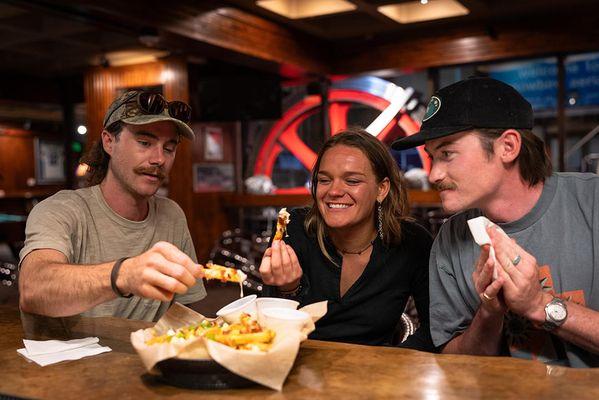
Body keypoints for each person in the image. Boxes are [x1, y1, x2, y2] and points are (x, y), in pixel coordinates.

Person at [391, 76, 599, 367]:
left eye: (447, 153)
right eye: (432, 156)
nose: (434, 174)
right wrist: (489, 311)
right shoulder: (450, 239)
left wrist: (539, 305)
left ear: (508, 147)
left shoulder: (592, 202)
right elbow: (455, 364)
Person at [19, 90, 206, 322]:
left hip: (146, 355)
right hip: (69, 358)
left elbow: (184, 312)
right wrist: (124, 274)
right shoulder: (62, 210)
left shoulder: (172, 215)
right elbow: (33, 289)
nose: (159, 158)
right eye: (145, 142)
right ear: (109, 142)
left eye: (169, 148)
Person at [259, 128, 434, 349]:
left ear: (382, 189)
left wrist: (391, 366)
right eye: (324, 180)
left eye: (352, 181)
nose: (334, 191)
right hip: (298, 369)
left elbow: (434, 330)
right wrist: (288, 289)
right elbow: (266, 332)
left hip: (378, 376)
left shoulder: (412, 242)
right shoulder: (293, 228)